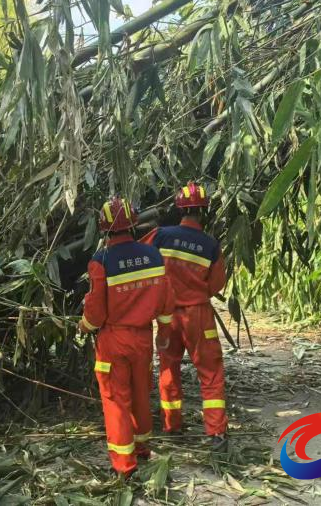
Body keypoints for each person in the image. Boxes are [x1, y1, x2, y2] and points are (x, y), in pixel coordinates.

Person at [79, 196, 175, 478]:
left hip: (114, 340)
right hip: (143, 337)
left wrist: (83, 326)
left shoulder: (102, 261)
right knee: (140, 393)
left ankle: (124, 464)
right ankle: (142, 448)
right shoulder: (154, 256)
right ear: (134, 224)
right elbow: (166, 303)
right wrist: (164, 335)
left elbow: (96, 313)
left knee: (116, 399)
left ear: (104, 229)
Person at [141, 182, 228, 447]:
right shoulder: (210, 245)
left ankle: (172, 426)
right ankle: (215, 433)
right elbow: (217, 284)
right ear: (205, 211)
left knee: (169, 366)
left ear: (178, 208)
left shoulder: (159, 236)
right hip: (198, 315)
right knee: (210, 372)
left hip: (167, 315)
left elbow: (139, 257)